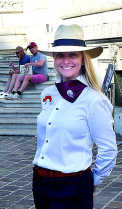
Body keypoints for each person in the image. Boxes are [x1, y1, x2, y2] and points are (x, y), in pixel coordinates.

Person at [32, 24, 117, 208]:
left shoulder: (94, 100)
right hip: (40, 182)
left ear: (83, 59)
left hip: (72, 185)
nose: (66, 60)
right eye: (60, 55)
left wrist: (92, 181)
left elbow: (108, 149)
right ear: (54, 58)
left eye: (73, 54)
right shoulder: (47, 93)